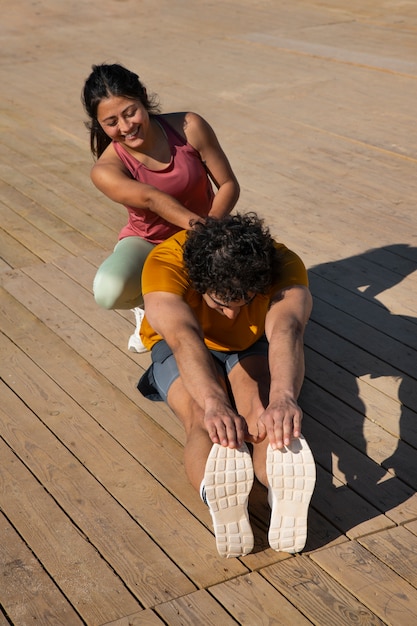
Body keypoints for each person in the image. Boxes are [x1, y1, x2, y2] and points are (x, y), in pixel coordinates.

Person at [137, 212, 316, 558]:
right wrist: (214, 402)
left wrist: (283, 397)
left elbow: (286, 328)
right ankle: (218, 491)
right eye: (220, 304)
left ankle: (279, 488)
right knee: (202, 413)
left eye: (244, 302)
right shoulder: (164, 262)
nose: (231, 315)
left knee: (264, 411)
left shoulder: (285, 264)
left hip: (250, 344)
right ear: (198, 282)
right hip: (185, 345)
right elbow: (182, 337)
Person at [82, 63, 240, 352]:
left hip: (208, 232)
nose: (126, 127)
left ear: (143, 97)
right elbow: (152, 198)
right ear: (98, 123)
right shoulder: (105, 169)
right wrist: (201, 230)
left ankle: (176, 295)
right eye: (111, 122)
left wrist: (211, 232)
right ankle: (147, 304)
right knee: (109, 291)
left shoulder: (189, 127)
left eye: (130, 112)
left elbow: (228, 184)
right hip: (149, 242)